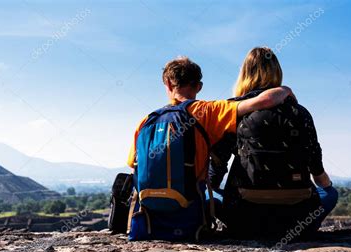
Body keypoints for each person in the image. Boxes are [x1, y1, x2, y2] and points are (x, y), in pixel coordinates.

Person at [126, 56, 295, 241]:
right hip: (190, 214)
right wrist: (284, 90)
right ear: (199, 86)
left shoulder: (146, 121)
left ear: (167, 83)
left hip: (150, 220)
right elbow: (262, 102)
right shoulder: (207, 111)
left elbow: (133, 166)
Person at [210, 47, 338, 241]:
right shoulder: (300, 113)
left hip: (244, 218)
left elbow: (215, 173)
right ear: (277, 72)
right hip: (297, 217)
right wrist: (327, 186)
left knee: (204, 192)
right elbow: (318, 175)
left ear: (244, 74)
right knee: (331, 194)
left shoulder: (234, 111)